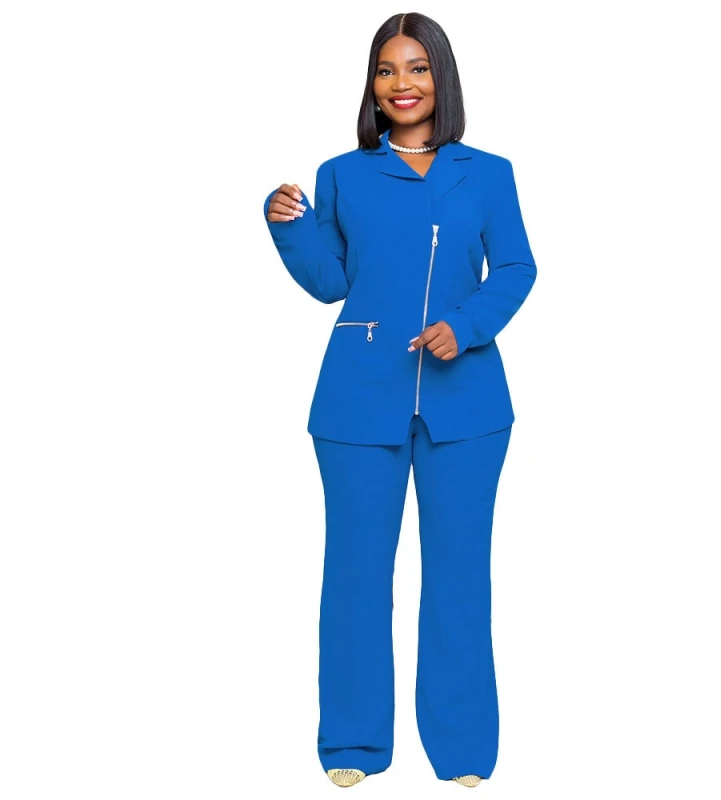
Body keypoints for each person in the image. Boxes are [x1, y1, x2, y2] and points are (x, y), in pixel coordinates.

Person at [263, 11, 537, 789]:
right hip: (357, 402)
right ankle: (352, 743)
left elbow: (516, 268)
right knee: (354, 575)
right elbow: (331, 282)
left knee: (459, 578)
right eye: (386, 69)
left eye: (417, 67)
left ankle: (463, 750)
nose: (401, 83)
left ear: (440, 77)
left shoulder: (489, 174)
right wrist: (289, 228)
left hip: (469, 409)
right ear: (372, 85)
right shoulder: (341, 175)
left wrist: (466, 326)